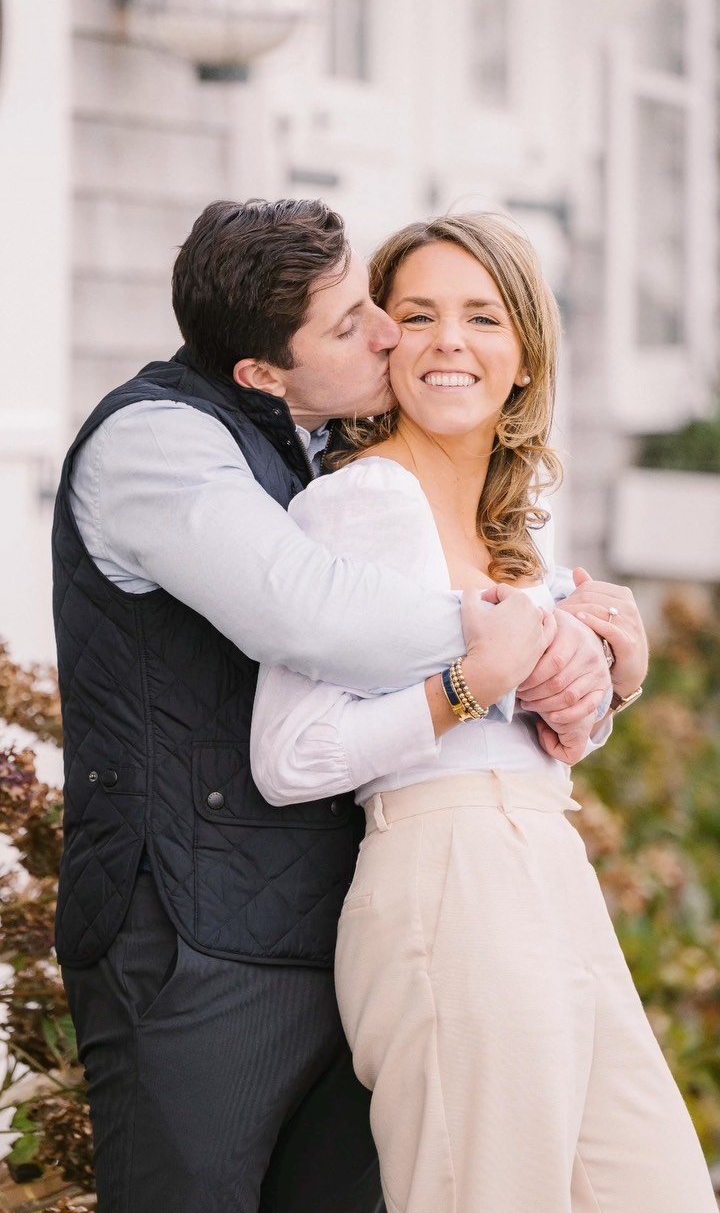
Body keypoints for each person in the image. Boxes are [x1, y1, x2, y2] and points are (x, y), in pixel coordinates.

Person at [52, 197, 642, 1213]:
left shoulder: (316, 445)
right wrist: (539, 632)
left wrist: (587, 658)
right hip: (190, 943)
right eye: (351, 323)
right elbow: (313, 614)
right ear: (260, 373)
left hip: (323, 921)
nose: (388, 333)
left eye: (372, 299)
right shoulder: (157, 442)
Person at [251, 213, 716, 1213]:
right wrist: (467, 686)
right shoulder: (363, 502)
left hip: (551, 870)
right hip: (446, 880)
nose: (448, 341)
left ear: (525, 355)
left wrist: (611, 680)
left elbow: (524, 741)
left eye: (482, 316)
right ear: (384, 343)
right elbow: (289, 756)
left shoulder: (512, 531)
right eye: (417, 315)